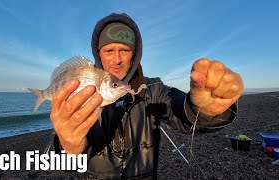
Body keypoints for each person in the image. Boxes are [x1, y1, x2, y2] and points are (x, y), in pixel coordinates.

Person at [47, 13, 243, 179]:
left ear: (135, 54)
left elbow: (182, 113)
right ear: (98, 55)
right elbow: (53, 167)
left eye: (124, 50)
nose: (116, 59)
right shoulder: (81, 94)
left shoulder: (154, 89)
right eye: (108, 51)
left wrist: (204, 110)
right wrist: (67, 147)